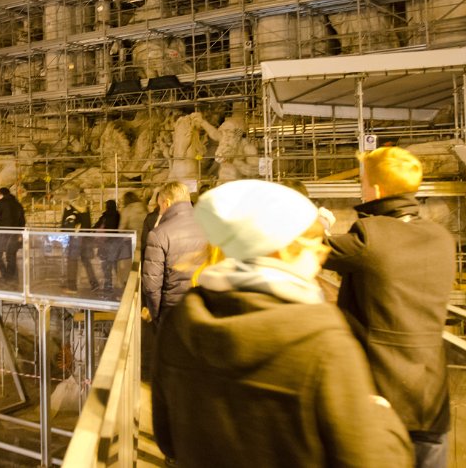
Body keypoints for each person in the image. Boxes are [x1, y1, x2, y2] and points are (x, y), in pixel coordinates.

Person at [152, 179, 412, 467]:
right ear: (281, 250)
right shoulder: (321, 338)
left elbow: (168, 439)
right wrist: (381, 414)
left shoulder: (182, 321)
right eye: (312, 244)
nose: (323, 253)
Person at [324, 147, 455, 468]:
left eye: (362, 181)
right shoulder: (441, 237)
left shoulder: (371, 235)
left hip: (380, 394)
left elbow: (312, 250)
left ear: (377, 190)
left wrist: (316, 223)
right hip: (431, 398)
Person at [141, 181, 207, 324]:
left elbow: (152, 285)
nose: (160, 211)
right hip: (204, 306)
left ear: (167, 203)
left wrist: (155, 315)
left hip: (173, 310)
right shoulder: (209, 226)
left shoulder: (158, 234)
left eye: (160, 206)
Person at [0, 187, 26, 282]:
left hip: (2, 234)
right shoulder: (18, 204)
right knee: (11, 256)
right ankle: (11, 277)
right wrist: (20, 233)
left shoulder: (1, 203)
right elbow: (22, 221)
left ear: (1, 194)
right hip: (15, 234)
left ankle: (6, 275)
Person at [60, 187, 98, 292]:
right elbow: (89, 224)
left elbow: (64, 225)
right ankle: (94, 283)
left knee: (72, 261)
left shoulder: (69, 208)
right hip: (85, 238)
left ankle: (72, 287)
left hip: (75, 238)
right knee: (86, 261)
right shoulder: (86, 208)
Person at [93, 199, 121, 290]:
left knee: (106, 265)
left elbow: (96, 226)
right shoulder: (118, 216)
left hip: (105, 244)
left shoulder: (105, 216)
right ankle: (120, 284)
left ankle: (108, 284)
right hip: (115, 244)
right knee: (115, 265)